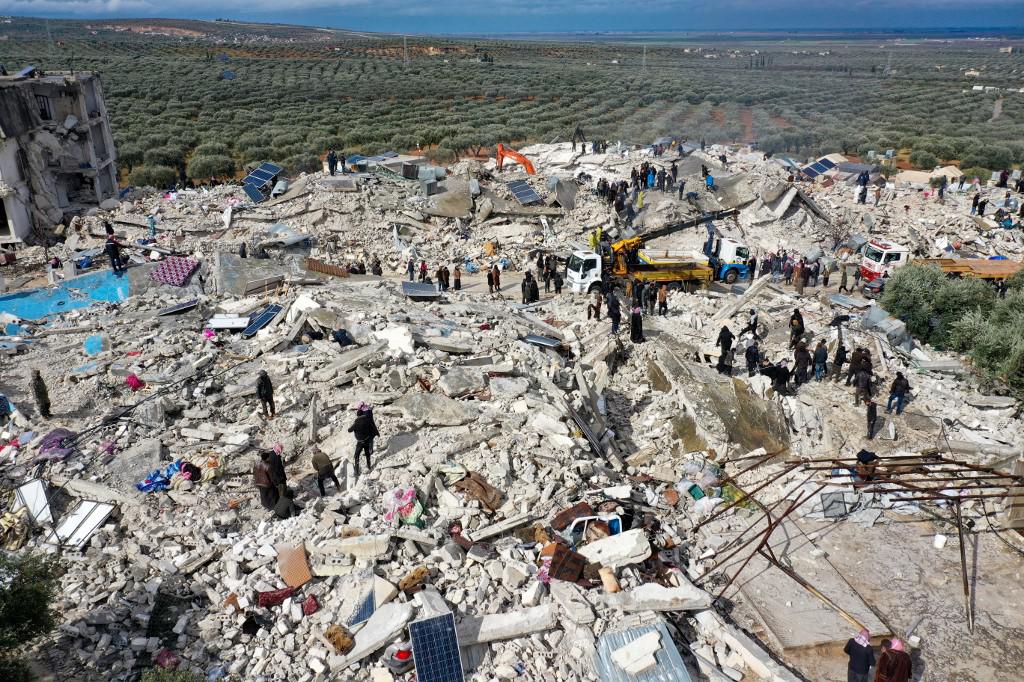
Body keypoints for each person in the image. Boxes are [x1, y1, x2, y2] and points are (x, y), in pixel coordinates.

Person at [348, 402, 379, 476]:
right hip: (367, 439)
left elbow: (349, 430)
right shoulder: (367, 420)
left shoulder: (356, 423)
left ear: (358, 415)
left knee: (356, 456)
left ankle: (356, 472)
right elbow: (372, 427)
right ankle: (369, 466)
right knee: (367, 453)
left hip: (360, 442)